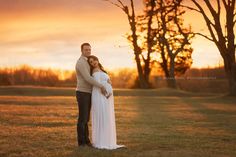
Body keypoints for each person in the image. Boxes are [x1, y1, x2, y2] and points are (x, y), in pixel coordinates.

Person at [87, 55, 125, 149]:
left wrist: (109, 82)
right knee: (102, 116)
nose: (93, 63)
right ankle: (101, 141)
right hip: (100, 94)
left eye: (94, 60)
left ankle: (108, 140)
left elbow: (106, 80)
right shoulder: (94, 71)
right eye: (91, 62)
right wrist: (105, 92)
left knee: (106, 117)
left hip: (106, 95)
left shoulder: (102, 70)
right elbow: (98, 85)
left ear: (97, 60)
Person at [75, 43, 107, 147]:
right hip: (82, 92)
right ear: (82, 50)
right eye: (86, 50)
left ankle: (86, 141)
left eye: (89, 50)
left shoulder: (88, 61)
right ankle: (81, 142)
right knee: (82, 118)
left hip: (88, 93)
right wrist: (101, 86)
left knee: (86, 119)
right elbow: (88, 78)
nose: (88, 51)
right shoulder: (81, 62)